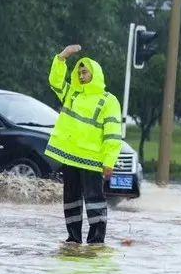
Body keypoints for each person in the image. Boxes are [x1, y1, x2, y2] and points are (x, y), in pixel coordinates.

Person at [45, 44, 123, 244]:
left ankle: (96, 242)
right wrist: (62, 57)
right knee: (70, 200)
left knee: (94, 201)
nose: (81, 75)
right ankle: (73, 239)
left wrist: (109, 162)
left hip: (92, 160)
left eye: (85, 71)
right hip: (70, 158)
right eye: (79, 71)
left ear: (94, 74)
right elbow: (55, 82)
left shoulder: (108, 101)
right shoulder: (72, 94)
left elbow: (112, 135)